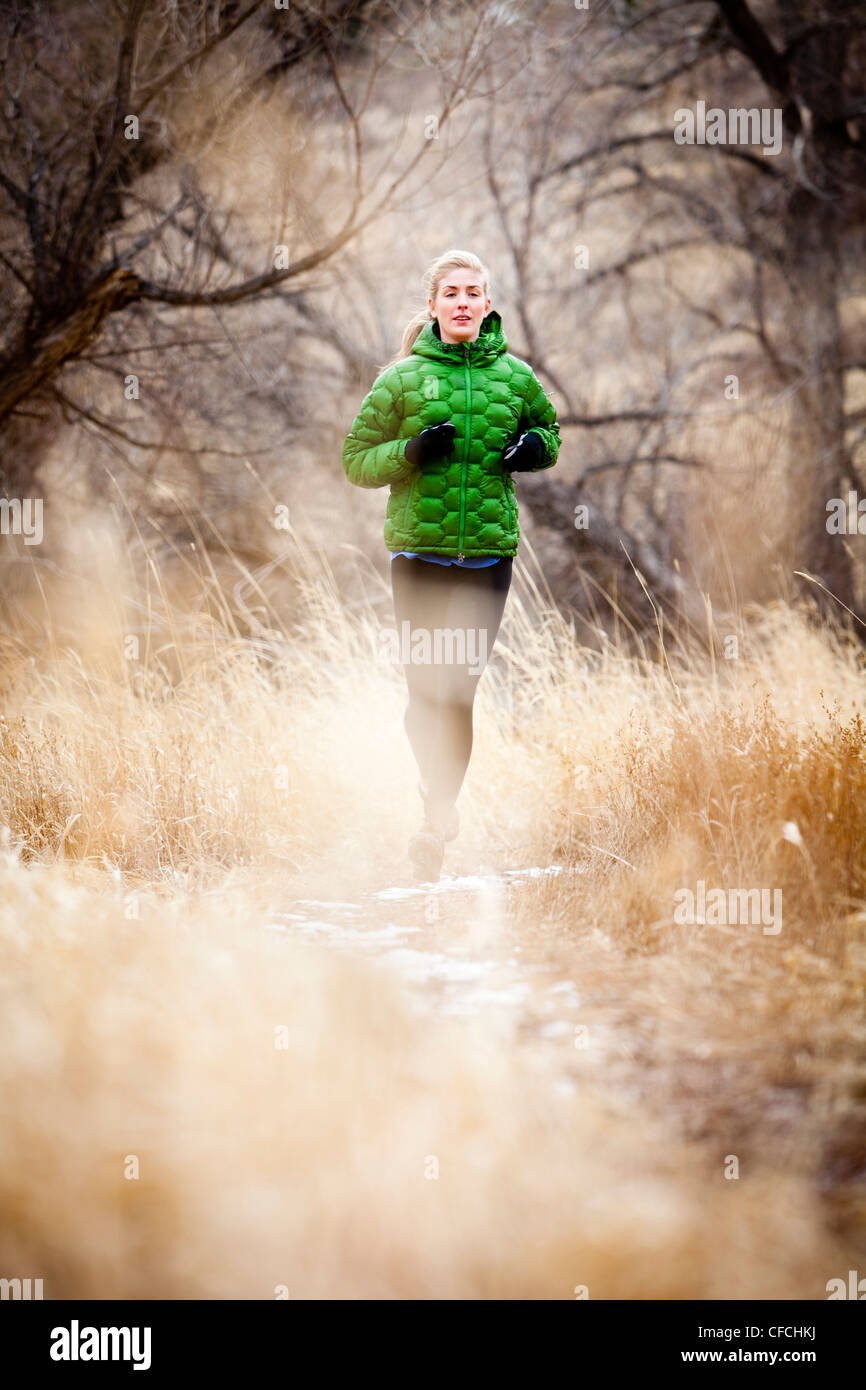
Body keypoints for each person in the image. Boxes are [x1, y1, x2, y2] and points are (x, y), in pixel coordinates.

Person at [342, 249, 561, 880]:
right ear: (434, 305)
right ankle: (433, 801)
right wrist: (410, 451)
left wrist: (532, 449)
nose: (463, 302)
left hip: (487, 557)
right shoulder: (404, 379)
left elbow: (551, 436)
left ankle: (437, 819)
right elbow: (356, 459)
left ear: (487, 304)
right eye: (452, 293)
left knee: (458, 692)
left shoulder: (516, 378)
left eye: (474, 292)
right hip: (419, 555)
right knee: (423, 693)